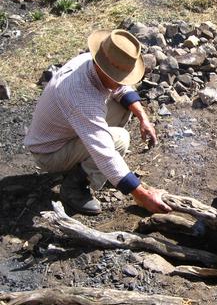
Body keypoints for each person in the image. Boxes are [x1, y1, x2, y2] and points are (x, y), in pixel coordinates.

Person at [24, 29, 172, 215]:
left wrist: (143, 118)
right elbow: (105, 152)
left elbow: (121, 89)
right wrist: (142, 195)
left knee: (123, 107)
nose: (122, 82)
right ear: (105, 69)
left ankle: (99, 169)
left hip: (66, 130)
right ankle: (74, 186)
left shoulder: (92, 62)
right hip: (50, 153)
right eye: (119, 78)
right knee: (119, 140)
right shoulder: (82, 98)